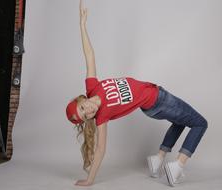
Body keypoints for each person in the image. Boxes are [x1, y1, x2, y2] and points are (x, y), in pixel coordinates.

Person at [66, 0, 208, 187]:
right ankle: (178, 167)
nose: (89, 111)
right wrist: (90, 179)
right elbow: (101, 149)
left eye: (83, 107)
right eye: (85, 116)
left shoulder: (93, 86)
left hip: (151, 106)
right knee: (200, 123)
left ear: (82, 99)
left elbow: (89, 55)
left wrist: (82, 26)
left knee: (180, 121)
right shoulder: (102, 115)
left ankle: (158, 159)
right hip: (158, 100)